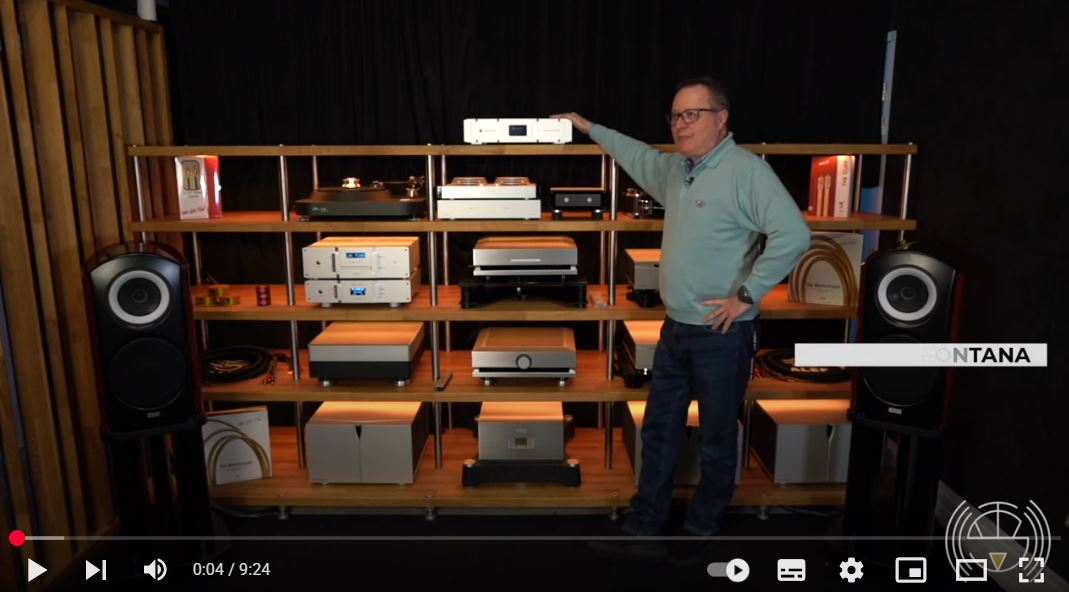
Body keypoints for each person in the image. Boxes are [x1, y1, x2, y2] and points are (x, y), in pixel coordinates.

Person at [554, 76, 810, 563]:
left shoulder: (746, 171)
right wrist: (588, 127)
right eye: (675, 115)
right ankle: (645, 523)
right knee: (659, 430)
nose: (681, 124)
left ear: (721, 119)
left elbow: (793, 234)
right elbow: (635, 154)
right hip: (675, 328)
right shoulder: (677, 170)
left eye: (693, 114)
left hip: (723, 333)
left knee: (716, 436)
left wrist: (747, 295)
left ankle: (701, 527)